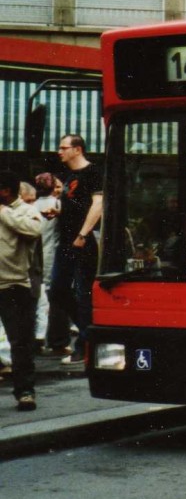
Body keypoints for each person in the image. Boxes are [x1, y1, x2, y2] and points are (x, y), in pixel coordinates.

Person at [52, 134, 103, 369]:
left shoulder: (92, 172)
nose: (59, 152)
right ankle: (87, 335)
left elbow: (98, 204)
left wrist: (83, 234)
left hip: (82, 241)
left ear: (77, 149)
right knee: (58, 290)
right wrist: (56, 211)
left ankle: (84, 346)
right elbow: (72, 204)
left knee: (84, 293)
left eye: (63, 148)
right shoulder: (70, 176)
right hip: (66, 241)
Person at [0, 170, 45, 411]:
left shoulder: (26, 210)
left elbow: (34, 231)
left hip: (15, 285)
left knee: (20, 342)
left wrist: (4, 213)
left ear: (5, 191)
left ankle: (25, 391)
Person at [32, 173, 68, 356]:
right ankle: (55, 340)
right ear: (53, 187)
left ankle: (39, 338)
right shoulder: (58, 205)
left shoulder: (31, 206)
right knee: (52, 298)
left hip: (37, 257)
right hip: (53, 254)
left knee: (40, 297)